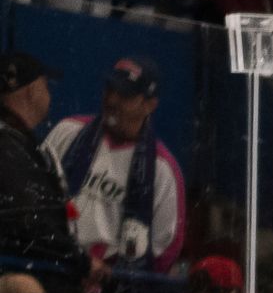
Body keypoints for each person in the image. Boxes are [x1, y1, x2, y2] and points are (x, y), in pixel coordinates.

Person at [41, 57, 188, 278]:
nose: (112, 100)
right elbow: (32, 193)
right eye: (110, 89)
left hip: (109, 285)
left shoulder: (163, 169)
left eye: (125, 95)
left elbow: (165, 250)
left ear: (149, 105)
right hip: (51, 264)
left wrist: (114, 279)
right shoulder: (68, 131)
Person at [0, 54, 76, 281]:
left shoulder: (17, 141)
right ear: (32, 91)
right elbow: (29, 221)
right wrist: (79, 261)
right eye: (45, 86)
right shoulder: (9, 146)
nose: (49, 94)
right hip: (18, 282)